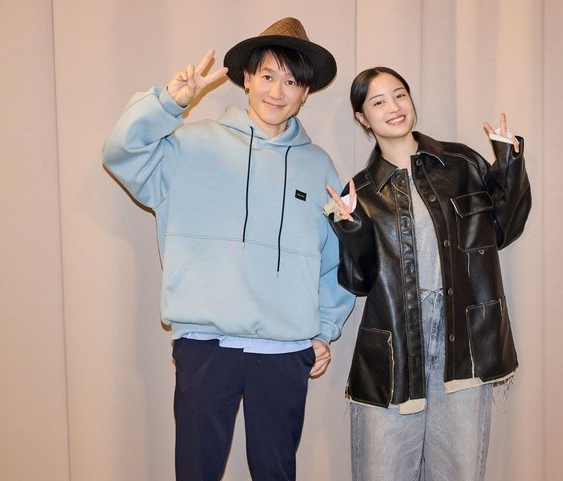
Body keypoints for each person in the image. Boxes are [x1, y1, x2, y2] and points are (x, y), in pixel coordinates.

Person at [102, 17, 355, 481]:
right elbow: (121, 153)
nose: (277, 91)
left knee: (276, 473)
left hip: (286, 350)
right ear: (246, 79)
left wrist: (324, 329)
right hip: (205, 344)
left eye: (292, 81)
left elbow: (337, 258)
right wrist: (169, 104)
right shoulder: (189, 145)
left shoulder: (318, 165)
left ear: (305, 93)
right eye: (267, 76)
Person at [325, 67, 532, 481]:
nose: (393, 107)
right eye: (378, 102)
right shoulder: (360, 193)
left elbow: (503, 229)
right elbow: (359, 282)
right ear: (363, 118)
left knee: (458, 470)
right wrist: (350, 229)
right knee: (382, 471)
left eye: (399, 94)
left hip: (464, 339)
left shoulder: (461, 163)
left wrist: (509, 164)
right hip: (395, 349)